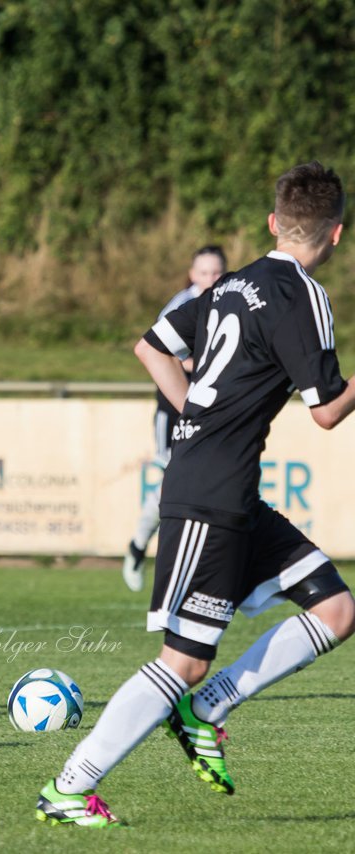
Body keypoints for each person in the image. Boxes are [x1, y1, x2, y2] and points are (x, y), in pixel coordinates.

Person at [35, 161, 355, 827]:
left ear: (272, 223)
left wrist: (189, 421)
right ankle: (68, 787)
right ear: (337, 234)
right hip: (210, 494)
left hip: (228, 490)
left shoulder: (232, 283)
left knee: (335, 610)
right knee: (181, 660)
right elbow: (326, 410)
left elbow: (152, 347)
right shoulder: (305, 295)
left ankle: (210, 706)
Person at [123, 245, 228, 592]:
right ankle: (140, 545)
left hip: (212, 407)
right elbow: (159, 354)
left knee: (212, 481)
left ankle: (217, 567)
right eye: (204, 273)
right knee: (176, 481)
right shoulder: (183, 305)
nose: (210, 279)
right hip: (175, 405)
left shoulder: (234, 301)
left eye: (217, 273)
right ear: (192, 274)